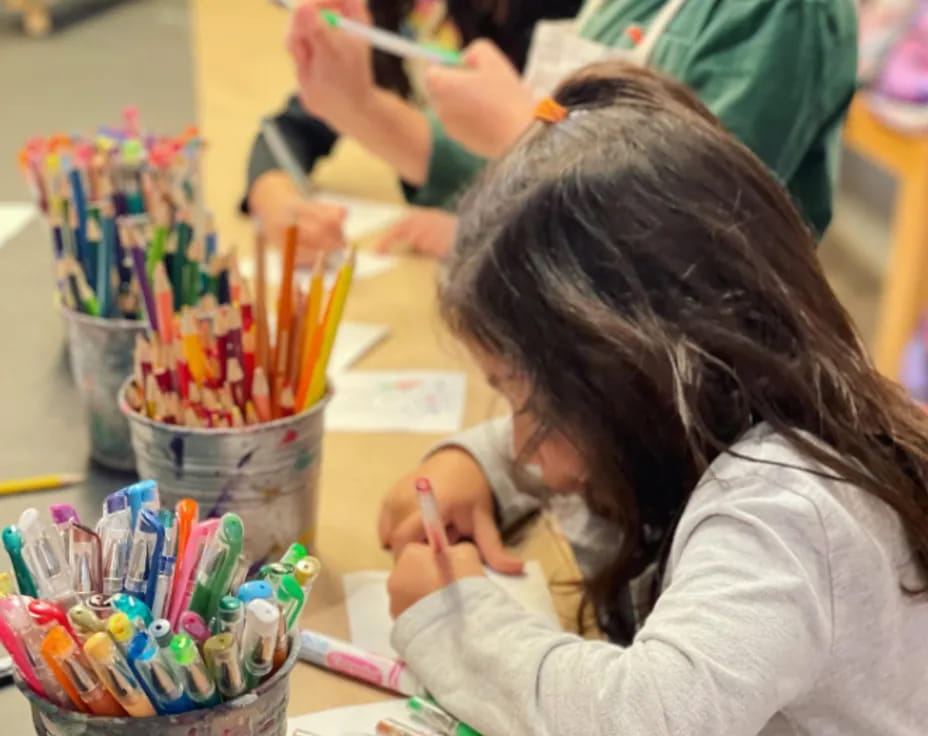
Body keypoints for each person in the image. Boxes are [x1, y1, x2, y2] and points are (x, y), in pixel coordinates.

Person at [382, 62, 928, 735]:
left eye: (535, 407)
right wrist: (474, 467)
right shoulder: (737, 402)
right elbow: (558, 438)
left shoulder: (784, 513)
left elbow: (646, 720)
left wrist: (452, 619)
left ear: (637, 376)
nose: (523, 445)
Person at [287, 0, 857, 258]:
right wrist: (357, 106)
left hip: (686, 407)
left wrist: (526, 131)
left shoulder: (785, 12)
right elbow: (506, 172)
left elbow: (692, 239)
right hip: (576, 361)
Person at [247, 0, 581, 259]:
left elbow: (589, 187)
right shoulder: (395, 11)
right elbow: (297, 124)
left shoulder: (545, 13)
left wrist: (472, 230)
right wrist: (276, 199)